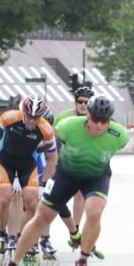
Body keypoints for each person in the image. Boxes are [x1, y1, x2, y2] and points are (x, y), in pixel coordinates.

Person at [0, 95, 129, 266]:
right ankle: (12, 265)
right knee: (41, 217)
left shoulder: (120, 135)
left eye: (104, 121)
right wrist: (44, 180)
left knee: (94, 211)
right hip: (66, 174)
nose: (98, 125)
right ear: (87, 114)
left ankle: (83, 259)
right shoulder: (67, 127)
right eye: (95, 119)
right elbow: (50, 152)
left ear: (110, 120)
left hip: (96, 176)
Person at [0, 96, 56, 257]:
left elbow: (51, 158)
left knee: (32, 202)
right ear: (23, 112)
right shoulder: (9, 118)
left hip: (27, 163)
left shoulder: (45, 131)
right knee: (2, 197)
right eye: (30, 117)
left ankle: (20, 236)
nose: (32, 121)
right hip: (5, 161)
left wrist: (42, 185)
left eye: (37, 118)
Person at [55, 84, 95, 232]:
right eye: (80, 101)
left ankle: (76, 229)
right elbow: (52, 138)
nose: (83, 105)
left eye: (87, 102)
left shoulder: (94, 119)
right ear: (75, 101)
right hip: (62, 161)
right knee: (56, 198)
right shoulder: (62, 117)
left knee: (80, 194)